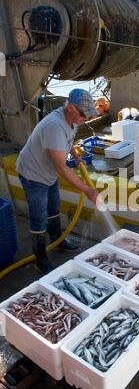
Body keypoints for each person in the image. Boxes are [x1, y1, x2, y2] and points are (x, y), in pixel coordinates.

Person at [16, 88, 100, 274]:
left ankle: (57, 241)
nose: (85, 118)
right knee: (39, 217)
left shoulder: (73, 119)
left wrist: (76, 155)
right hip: (33, 174)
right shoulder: (54, 126)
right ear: (70, 107)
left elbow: (68, 141)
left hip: (48, 172)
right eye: (83, 114)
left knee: (54, 207)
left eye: (87, 115)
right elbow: (62, 168)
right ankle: (40, 258)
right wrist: (87, 189)